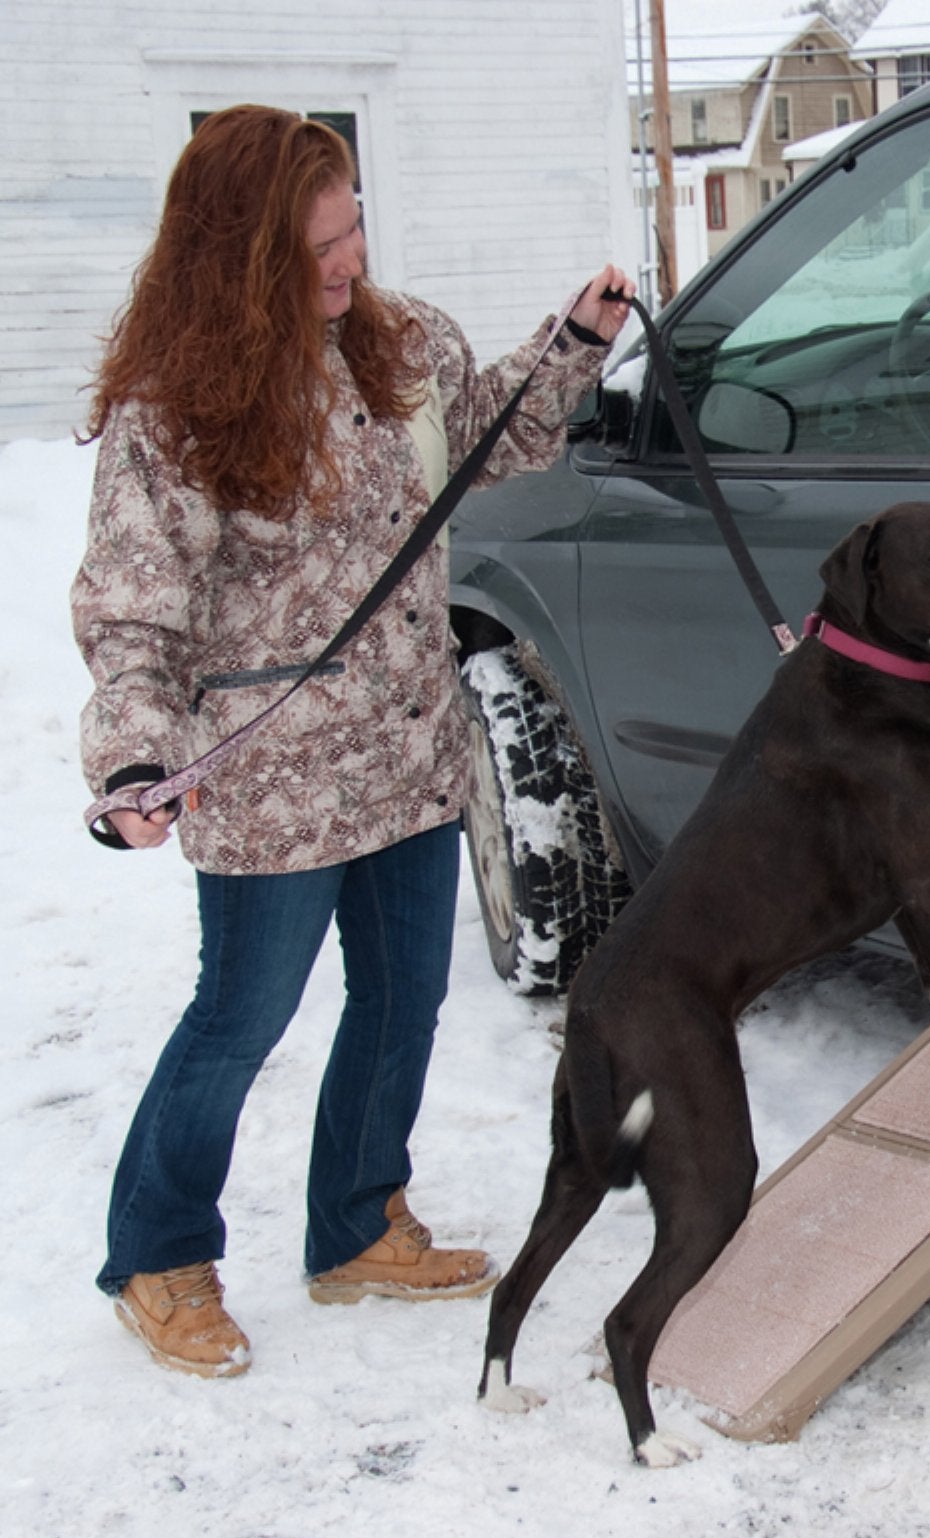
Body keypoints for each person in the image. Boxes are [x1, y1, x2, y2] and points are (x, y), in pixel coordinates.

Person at [71, 105, 634, 1379]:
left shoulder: (401, 343)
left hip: (408, 753)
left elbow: (491, 435)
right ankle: (157, 1253)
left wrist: (571, 344)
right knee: (241, 1017)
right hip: (271, 781)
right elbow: (134, 609)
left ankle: (357, 1223)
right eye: (316, 245)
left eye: (353, 227)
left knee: (401, 998)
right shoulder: (177, 413)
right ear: (240, 253)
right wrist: (133, 759)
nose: (348, 260)